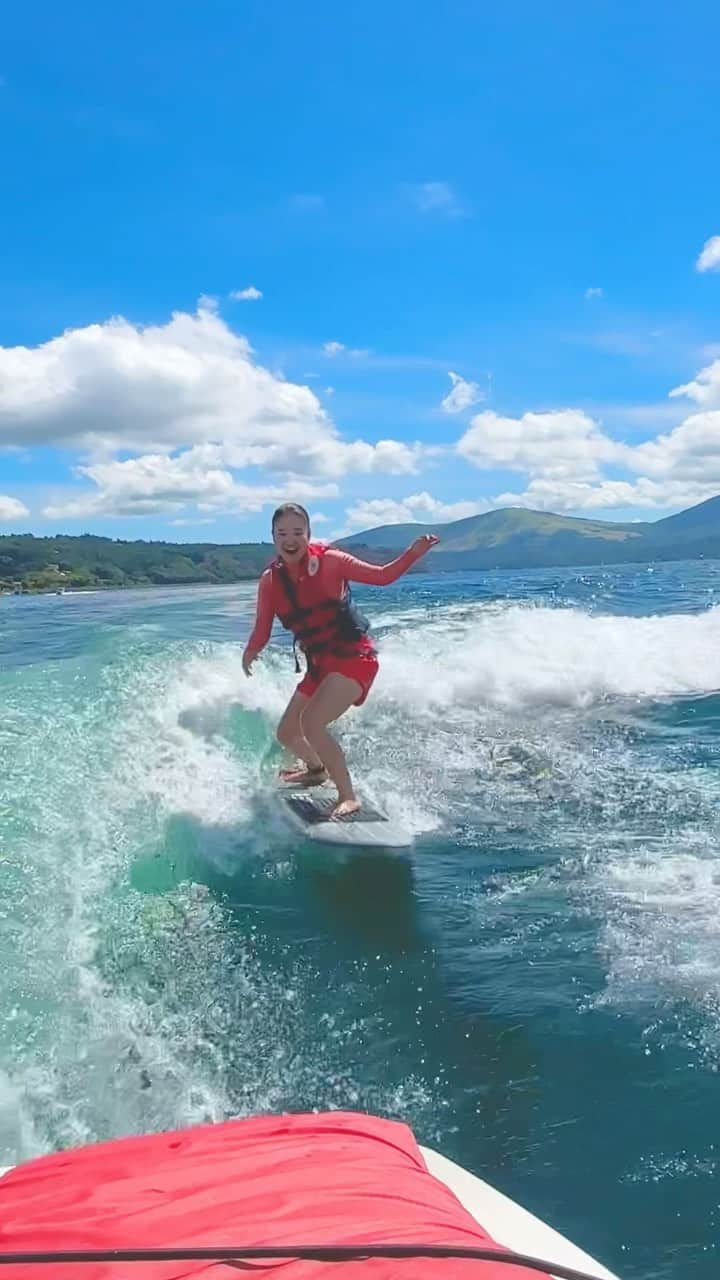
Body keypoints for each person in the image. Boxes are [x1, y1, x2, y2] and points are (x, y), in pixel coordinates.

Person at [242, 503, 439, 819]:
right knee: (287, 733)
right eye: (282, 534)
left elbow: (383, 576)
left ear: (309, 535)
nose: (290, 539)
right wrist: (251, 651)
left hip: (353, 659)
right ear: (273, 537)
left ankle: (348, 795)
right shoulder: (270, 581)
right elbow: (262, 628)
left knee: (312, 723)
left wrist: (413, 553)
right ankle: (316, 769)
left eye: (297, 532)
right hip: (319, 667)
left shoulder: (332, 562)